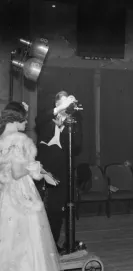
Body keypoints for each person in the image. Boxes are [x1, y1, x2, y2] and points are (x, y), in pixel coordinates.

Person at [0, 102, 72, 271]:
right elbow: (17, 172)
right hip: (21, 196)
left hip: (6, 196)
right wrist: (35, 167)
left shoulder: (2, 139)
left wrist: (41, 171)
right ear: (15, 119)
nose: (26, 122)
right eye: (23, 118)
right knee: (27, 246)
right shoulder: (18, 139)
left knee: (9, 246)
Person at [35, 91, 82, 253]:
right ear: (56, 105)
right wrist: (61, 107)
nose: (65, 108)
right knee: (38, 208)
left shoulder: (72, 122)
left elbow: (76, 147)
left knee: (56, 211)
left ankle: (53, 246)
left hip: (62, 171)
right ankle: (38, 247)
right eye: (62, 104)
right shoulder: (46, 118)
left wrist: (66, 127)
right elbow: (38, 120)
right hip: (41, 170)